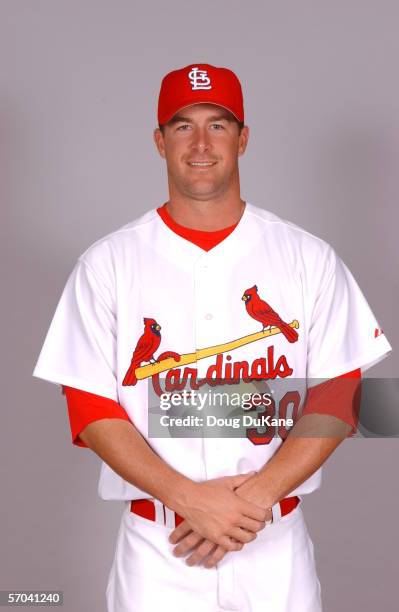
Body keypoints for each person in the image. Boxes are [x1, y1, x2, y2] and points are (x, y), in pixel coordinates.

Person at [33, 63, 392, 612]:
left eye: (218, 125)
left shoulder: (306, 256)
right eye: (182, 125)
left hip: (273, 545)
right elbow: (87, 404)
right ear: (159, 141)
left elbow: (340, 395)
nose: (200, 143)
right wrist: (188, 498)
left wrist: (254, 498)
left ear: (243, 138)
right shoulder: (108, 262)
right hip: (159, 549)